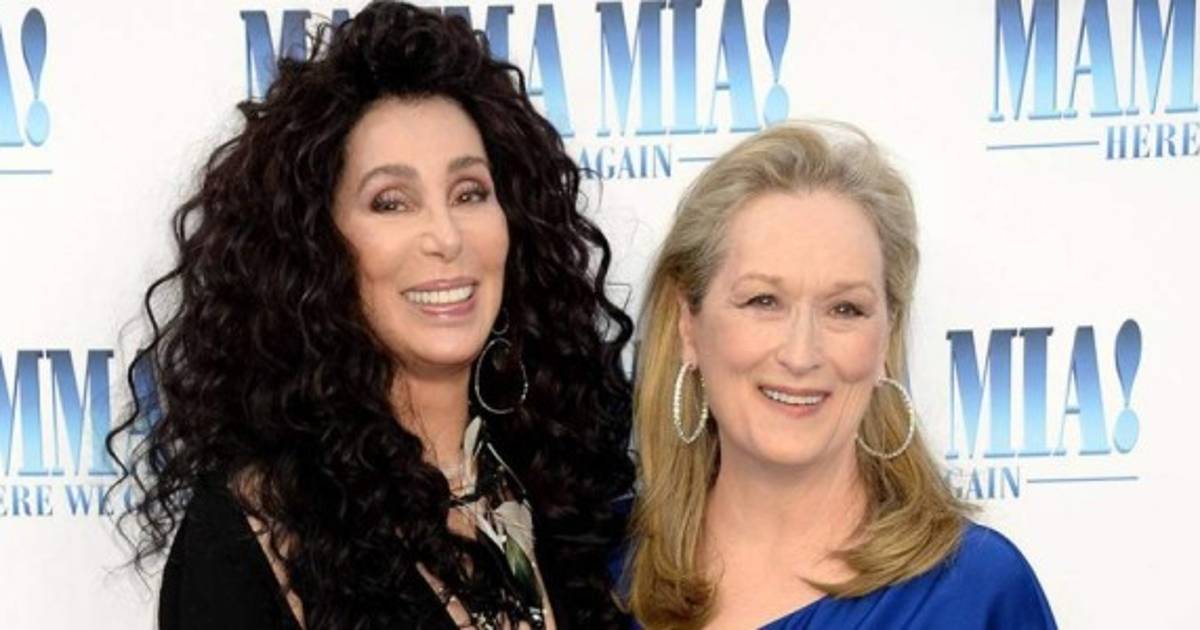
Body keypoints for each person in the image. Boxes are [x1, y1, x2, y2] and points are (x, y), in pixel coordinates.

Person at [106, 2, 635, 628]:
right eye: (391, 202)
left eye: (469, 193)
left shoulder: (559, 490)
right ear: (317, 246)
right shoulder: (260, 529)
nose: (446, 236)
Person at [623, 122, 1056, 629]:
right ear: (687, 324)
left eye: (845, 309)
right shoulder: (599, 574)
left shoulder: (975, 592)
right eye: (763, 301)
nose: (801, 354)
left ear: (887, 337)